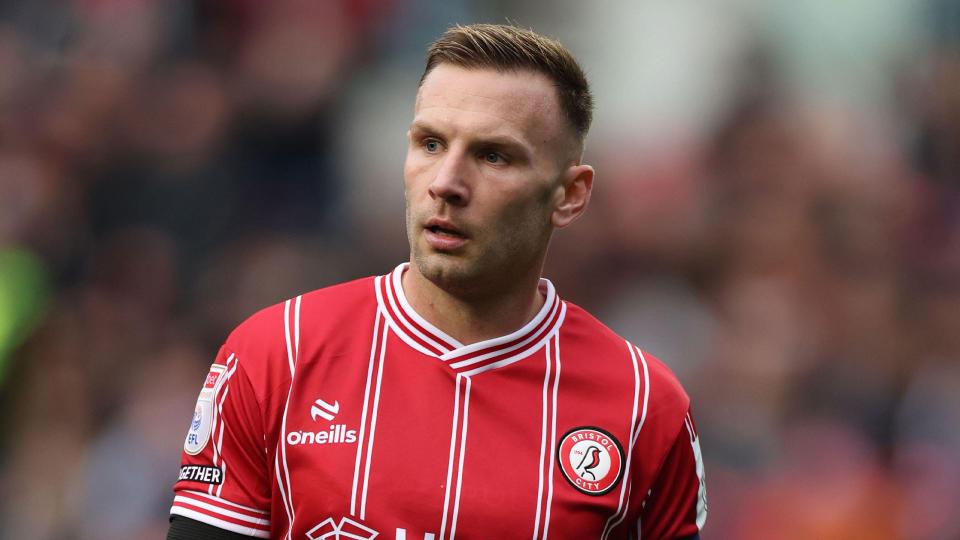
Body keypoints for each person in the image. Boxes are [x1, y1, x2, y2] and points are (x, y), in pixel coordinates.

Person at [167, 23, 707, 540]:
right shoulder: (275, 355)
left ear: (570, 195)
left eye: (493, 156)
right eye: (429, 144)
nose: (446, 183)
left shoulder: (644, 406)